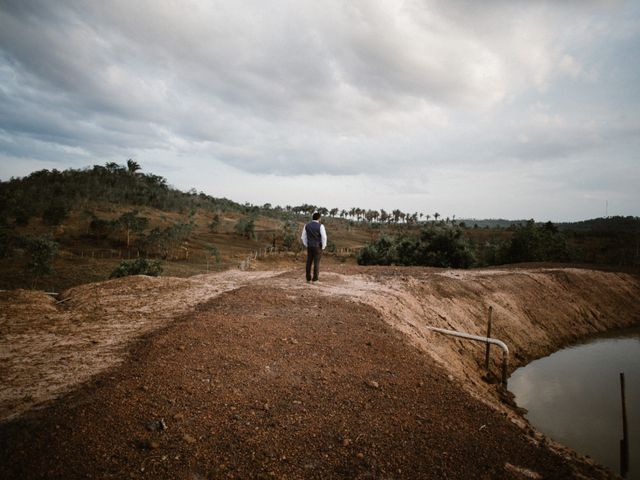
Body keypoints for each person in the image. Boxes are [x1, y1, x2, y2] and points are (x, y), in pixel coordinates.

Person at [301, 211, 327, 282]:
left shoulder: (306, 225)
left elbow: (303, 237)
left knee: (309, 261)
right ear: (319, 218)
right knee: (316, 263)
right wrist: (323, 246)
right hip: (318, 247)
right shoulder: (321, 226)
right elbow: (324, 237)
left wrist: (307, 244)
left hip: (309, 246)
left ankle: (308, 279)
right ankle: (315, 279)